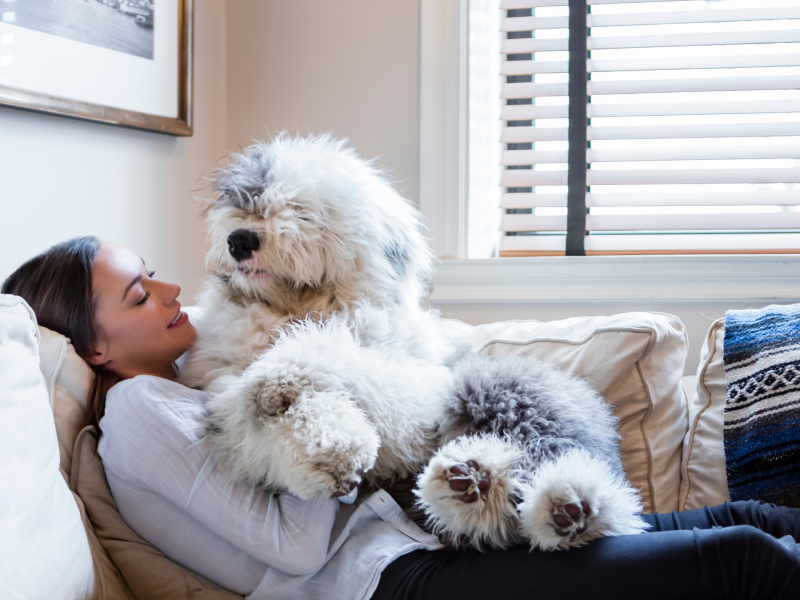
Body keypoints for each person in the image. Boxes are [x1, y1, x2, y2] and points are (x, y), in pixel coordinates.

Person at [4, 236, 800, 600]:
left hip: (420, 545)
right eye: (141, 295)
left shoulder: (193, 384)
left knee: (755, 514)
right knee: (743, 561)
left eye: (153, 274)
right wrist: (352, 442)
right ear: (94, 348)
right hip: (385, 582)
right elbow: (286, 540)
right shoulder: (141, 414)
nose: (173, 291)